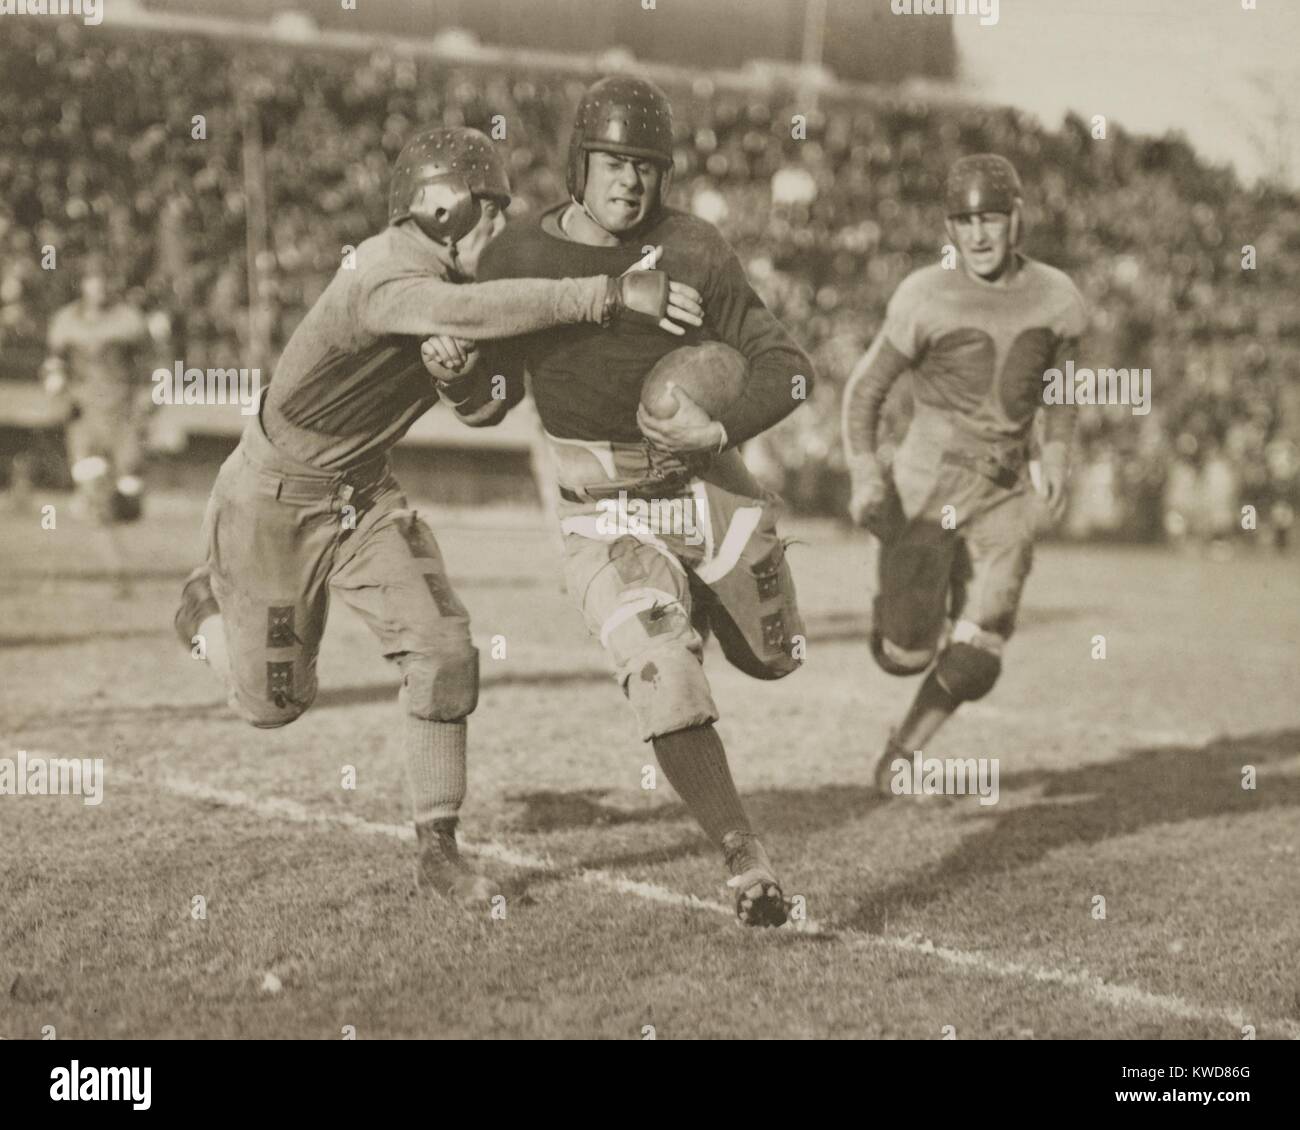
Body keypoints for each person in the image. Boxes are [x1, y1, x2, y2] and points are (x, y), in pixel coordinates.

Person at [172, 126, 704, 903]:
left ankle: (438, 850)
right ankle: (203, 614)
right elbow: (468, 309)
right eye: (491, 209)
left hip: (360, 495)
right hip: (272, 500)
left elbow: (485, 405)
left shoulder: (451, 282)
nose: (502, 225)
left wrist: (458, 382)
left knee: (446, 651)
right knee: (275, 705)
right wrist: (604, 293)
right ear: (444, 208)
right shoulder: (381, 270)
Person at [446, 77, 815, 927]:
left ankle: (707, 600)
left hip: (704, 487)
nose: (630, 182)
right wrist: (460, 375)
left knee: (778, 656)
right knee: (664, 673)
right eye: (614, 162)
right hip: (601, 508)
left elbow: (790, 367)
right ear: (580, 163)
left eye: (647, 166)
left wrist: (719, 431)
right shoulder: (520, 257)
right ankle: (744, 856)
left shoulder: (694, 248)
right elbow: (491, 398)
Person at [841, 154, 1087, 795]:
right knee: (905, 655)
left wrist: (1056, 452)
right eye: (965, 221)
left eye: (991, 219)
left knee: (979, 657)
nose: (979, 234)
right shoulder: (927, 293)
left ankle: (901, 756)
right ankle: (910, 604)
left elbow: (1062, 387)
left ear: (1017, 219)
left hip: (1004, 488)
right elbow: (865, 391)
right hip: (927, 484)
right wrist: (866, 474)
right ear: (950, 227)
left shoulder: (1056, 295)